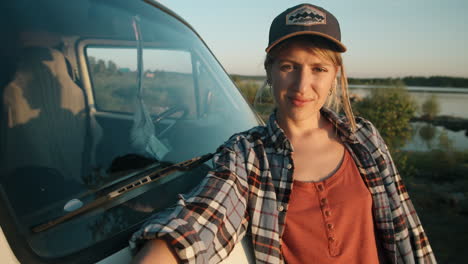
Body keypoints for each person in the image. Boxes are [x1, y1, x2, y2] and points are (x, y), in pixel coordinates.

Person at [130, 3, 436, 263]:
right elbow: (203, 219)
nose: (302, 86)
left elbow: (406, 229)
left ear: (336, 74)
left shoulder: (364, 138)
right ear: (269, 70)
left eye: (319, 69)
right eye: (289, 66)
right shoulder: (248, 155)